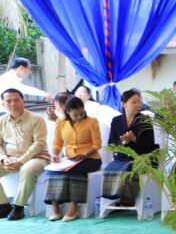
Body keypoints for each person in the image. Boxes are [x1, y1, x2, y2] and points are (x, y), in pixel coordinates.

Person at [44, 96, 101, 222]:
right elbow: (57, 143)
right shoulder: (61, 122)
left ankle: (74, 206)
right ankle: (55, 207)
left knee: (75, 170)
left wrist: (85, 154)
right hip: (69, 158)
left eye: (82, 113)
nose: (79, 117)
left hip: (91, 158)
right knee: (51, 171)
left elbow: (97, 145)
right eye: (76, 115)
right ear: (67, 112)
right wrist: (55, 155)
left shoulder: (92, 122)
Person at [101, 88, 156, 207]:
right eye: (134, 102)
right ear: (124, 104)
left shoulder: (145, 120)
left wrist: (134, 139)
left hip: (141, 158)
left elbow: (150, 145)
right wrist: (123, 142)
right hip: (121, 157)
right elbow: (111, 143)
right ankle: (112, 197)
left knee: (129, 167)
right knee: (109, 168)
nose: (138, 105)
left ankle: (127, 198)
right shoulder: (116, 120)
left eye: (139, 102)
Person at [0, 88, 49, 220]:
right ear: (3, 104)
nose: (13, 104)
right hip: (11, 158)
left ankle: (19, 207)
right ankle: (4, 206)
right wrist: (4, 158)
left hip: (37, 157)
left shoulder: (37, 119)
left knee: (28, 169)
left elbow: (39, 144)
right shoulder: (1, 121)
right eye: (8, 101)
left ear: (23, 101)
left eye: (16, 100)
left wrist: (20, 161)